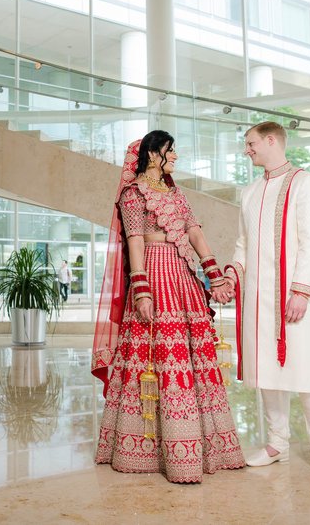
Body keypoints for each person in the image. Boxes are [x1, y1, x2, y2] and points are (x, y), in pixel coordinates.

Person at [92, 130, 245, 483]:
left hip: (181, 272)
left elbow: (195, 233)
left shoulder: (176, 192)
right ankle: (147, 451)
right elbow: (134, 243)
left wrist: (215, 275)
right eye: (169, 150)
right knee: (156, 358)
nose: (175, 156)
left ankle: (199, 445)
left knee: (191, 357)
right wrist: (141, 290)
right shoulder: (132, 195)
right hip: (155, 273)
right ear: (152, 154)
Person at [225, 121, 310, 483]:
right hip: (258, 300)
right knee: (267, 376)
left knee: (307, 375)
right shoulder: (249, 192)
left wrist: (302, 290)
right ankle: (277, 444)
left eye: (251, 143)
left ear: (271, 140)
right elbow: (244, 243)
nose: (247, 150)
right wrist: (233, 273)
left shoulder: (306, 183)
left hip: (294, 298)